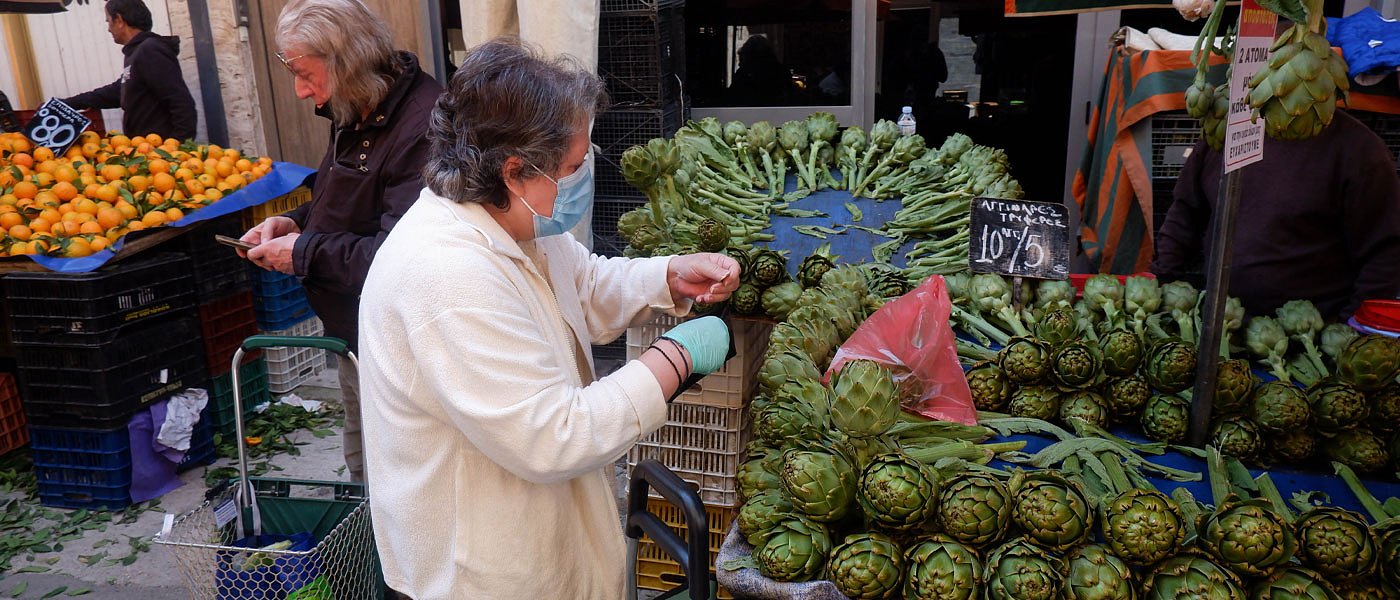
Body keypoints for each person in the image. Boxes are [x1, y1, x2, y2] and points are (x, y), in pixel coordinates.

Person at [357, 39, 740, 599]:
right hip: (481, 575)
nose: (580, 179)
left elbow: (580, 286)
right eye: (572, 167)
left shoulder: (511, 221)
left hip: (538, 540)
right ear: (514, 171)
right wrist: (674, 359)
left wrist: (668, 275)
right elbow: (554, 435)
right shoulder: (447, 274)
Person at [237, 0, 444, 483]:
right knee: (365, 464)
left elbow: (402, 258)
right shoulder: (358, 103)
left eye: (307, 75)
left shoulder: (421, 126)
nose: (300, 90)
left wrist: (303, 254)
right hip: (355, 332)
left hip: (397, 346)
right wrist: (296, 223)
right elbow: (347, 200)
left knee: (394, 477)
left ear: (348, 62)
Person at [1152, 111, 1400, 319]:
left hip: (1313, 340)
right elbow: (1184, 213)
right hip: (1219, 325)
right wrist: (1159, 280)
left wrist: (1350, 329)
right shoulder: (1227, 133)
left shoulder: (1359, 150)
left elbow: (1385, 253)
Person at [62, 0, 197, 141]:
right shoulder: (136, 53)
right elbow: (116, 92)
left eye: (108, 22)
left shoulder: (150, 50)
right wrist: (68, 104)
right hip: (144, 150)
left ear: (119, 20)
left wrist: (177, 147)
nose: (108, 29)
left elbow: (181, 102)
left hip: (159, 153)